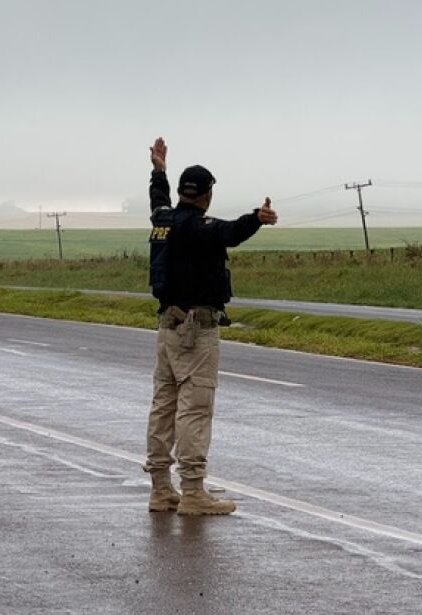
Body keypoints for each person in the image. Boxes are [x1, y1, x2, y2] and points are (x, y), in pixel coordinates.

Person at [143, 137, 278, 515]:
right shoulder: (199, 226)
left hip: (167, 326)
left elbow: (157, 200)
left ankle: (160, 489)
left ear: (182, 192)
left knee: (163, 407)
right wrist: (257, 218)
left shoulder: (163, 220)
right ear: (206, 195)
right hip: (196, 330)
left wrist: (158, 171)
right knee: (195, 409)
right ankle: (192, 492)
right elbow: (230, 232)